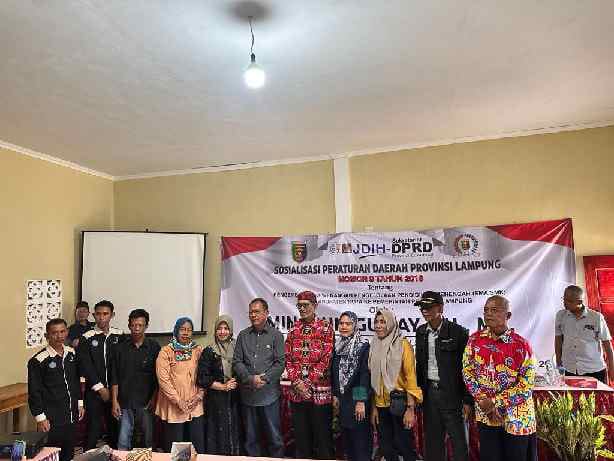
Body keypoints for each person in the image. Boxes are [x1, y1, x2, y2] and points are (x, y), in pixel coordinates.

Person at [462, 295, 536, 461]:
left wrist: (494, 402)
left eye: (494, 310)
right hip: (486, 415)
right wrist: (483, 401)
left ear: (508, 315)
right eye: (486, 310)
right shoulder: (474, 341)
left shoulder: (521, 345)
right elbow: (467, 373)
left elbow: (526, 386)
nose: (488, 314)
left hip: (517, 417)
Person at [414, 291, 471, 461]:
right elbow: (420, 366)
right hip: (430, 395)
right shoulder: (421, 332)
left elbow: (467, 369)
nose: (425, 311)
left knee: (460, 444)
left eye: (429, 307)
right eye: (422, 307)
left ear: (440, 308)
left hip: (453, 395)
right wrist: (419, 394)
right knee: (433, 443)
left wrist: (467, 400)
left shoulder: (458, 332)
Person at [285, 290, 335, 460]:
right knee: (301, 440)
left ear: (315, 306)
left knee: (323, 439)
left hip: (319, 392)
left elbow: (326, 359)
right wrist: (297, 383)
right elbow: (288, 358)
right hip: (297, 393)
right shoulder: (293, 328)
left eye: (306, 305)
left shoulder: (326, 328)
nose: (302, 309)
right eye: (299, 305)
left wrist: (306, 384)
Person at [233, 298, 285, 458]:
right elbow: (237, 362)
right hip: (248, 395)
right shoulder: (243, 335)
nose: (253, 315)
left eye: (256, 312)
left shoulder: (276, 335)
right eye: (251, 312)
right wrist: (249, 378)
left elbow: (280, 363)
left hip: (269, 396)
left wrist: (264, 378)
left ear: (266, 313)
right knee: (251, 440)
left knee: (274, 439)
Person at [369, 308, 422, 461]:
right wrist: (374, 408)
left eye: (383, 322)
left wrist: (410, 409)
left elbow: (410, 376)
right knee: (386, 448)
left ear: (391, 323)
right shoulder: (374, 344)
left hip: (400, 404)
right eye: (376, 322)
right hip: (381, 405)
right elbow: (373, 379)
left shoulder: (402, 344)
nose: (378, 325)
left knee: (404, 446)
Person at [28, 319, 85, 461]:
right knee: (51, 454)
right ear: (47, 336)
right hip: (52, 418)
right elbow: (34, 392)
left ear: (67, 332)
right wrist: (40, 418)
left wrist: (80, 403)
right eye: (54, 333)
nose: (59, 336)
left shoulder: (72, 353)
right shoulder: (38, 360)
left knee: (68, 453)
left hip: (71, 414)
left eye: (62, 331)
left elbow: (75, 381)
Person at [110, 308, 161, 450]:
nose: (136, 328)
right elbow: (114, 377)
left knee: (148, 442)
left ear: (146, 326)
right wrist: (114, 401)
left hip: (146, 403)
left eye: (140, 325)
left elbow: (159, 378)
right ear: (129, 326)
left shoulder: (154, 347)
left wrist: (154, 399)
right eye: (133, 325)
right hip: (124, 402)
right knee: (123, 442)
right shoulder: (119, 349)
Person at [77, 299, 124, 449]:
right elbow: (85, 365)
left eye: (105, 314)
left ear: (112, 315)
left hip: (115, 393)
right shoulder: (86, 337)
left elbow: (122, 364)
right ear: (93, 315)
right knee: (93, 429)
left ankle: (114, 456)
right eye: (98, 314)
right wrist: (100, 388)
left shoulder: (120, 335)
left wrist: (114, 390)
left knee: (115, 430)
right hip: (94, 392)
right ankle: (88, 456)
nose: (102, 317)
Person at [155, 317, 205, 453]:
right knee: (177, 450)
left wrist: (199, 395)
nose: (186, 333)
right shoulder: (166, 351)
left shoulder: (198, 350)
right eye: (182, 329)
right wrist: (178, 401)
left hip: (195, 406)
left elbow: (205, 375)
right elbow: (163, 380)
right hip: (173, 407)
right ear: (176, 331)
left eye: (189, 330)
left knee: (196, 447)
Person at [197, 315, 240, 455]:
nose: (222, 332)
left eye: (226, 328)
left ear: (231, 330)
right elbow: (202, 378)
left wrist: (235, 381)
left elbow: (244, 369)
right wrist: (223, 387)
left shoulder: (238, 348)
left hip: (236, 398)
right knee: (218, 432)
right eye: (219, 328)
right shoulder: (209, 351)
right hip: (216, 400)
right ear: (215, 331)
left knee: (235, 432)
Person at [331, 311, 371, 461]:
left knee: (360, 444)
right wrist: (336, 395)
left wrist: (360, 401)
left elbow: (364, 375)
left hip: (357, 402)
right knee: (348, 445)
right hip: (343, 401)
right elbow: (335, 372)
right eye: (341, 323)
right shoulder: (337, 346)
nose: (344, 326)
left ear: (355, 326)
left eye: (348, 324)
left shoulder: (363, 346)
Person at [555, 284, 614, 384]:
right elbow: (558, 340)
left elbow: (607, 345)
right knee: (570, 395)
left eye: (569, 301)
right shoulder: (561, 316)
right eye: (564, 299)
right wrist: (558, 363)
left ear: (580, 302)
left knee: (596, 395)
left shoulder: (596, 317)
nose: (565, 303)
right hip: (570, 369)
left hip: (594, 370)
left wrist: (612, 369)